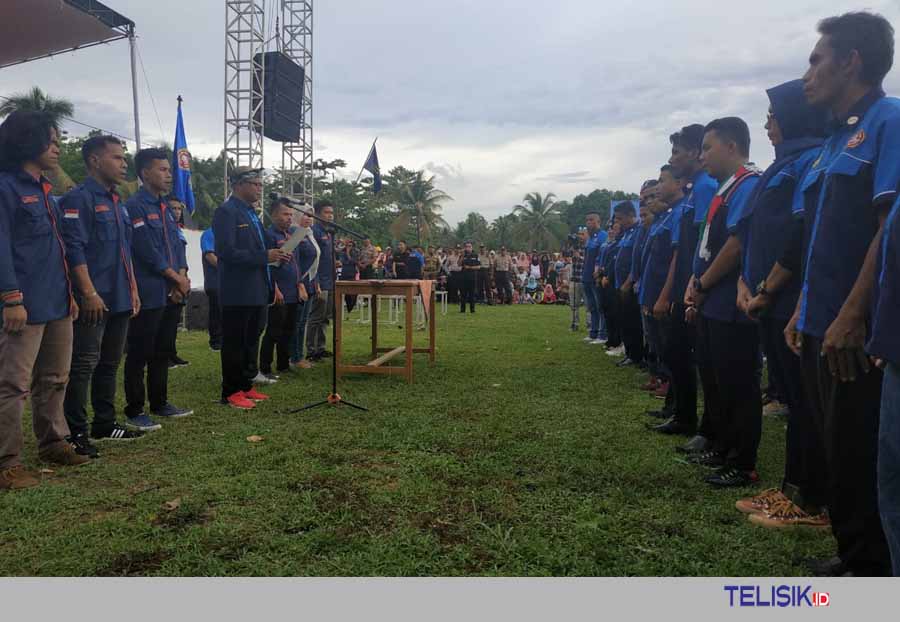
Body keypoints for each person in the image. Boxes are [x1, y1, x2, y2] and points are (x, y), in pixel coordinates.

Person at [785, 11, 898, 577]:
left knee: (862, 450)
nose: (808, 74)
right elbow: (821, 239)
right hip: (818, 321)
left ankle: (872, 569)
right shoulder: (834, 141)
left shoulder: (888, 121)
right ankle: (852, 555)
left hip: (857, 328)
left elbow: (888, 225)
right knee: (838, 446)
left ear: (851, 61)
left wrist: (853, 313)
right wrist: (806, 307)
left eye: (816, 60)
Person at [735, 79, 830, 529]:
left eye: (774, 115)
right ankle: (793, 486)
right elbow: (755, 233)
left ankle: (808, 497)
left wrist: (769, 288)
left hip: (789, 300)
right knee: (794, 398)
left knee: (807, 402)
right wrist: (745, 282)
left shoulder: (809, 160)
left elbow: (798, 235)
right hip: (766, 300)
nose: (768, 124)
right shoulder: (785, 164)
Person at [0, 111, 88, 490]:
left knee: (54, 379)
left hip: (57, 302)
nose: (56, 147)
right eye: (50, 139)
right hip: (22, 305)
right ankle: (7, 463)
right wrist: (11, 297)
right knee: (13, 385)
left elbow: (56, 250)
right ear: (26, 141)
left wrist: (70, 294)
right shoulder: (6, 188)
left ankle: (54, 442)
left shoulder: (47, 191)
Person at [683, 117, 762, 487]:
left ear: (731, 147)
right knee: (715, 380)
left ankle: (742, 460)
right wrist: (694, 281)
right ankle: (721, 444)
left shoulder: (747, 184)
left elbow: (736, 244)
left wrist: (701, 282)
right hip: (711, 300)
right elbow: (707, 245)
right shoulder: (723, 190)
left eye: (707, 147)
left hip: (731, 303)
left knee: (738, 386)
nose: (702, 156)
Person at [59, 135, 144, 458]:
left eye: (124, 158)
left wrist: (133, 288)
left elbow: (125, 252)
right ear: (95, 161)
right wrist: (88, 292)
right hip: (94, 297)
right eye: (117, 158)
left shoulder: (117, 202)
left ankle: (105, 423)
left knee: (110, 363)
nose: (124, 164)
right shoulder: (78, 199)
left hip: (121, 296)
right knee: (84, 364)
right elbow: (73, 249)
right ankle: (75, 431)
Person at [123, 148, 192, 430]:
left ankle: (160, 402)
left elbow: (177, 243)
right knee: (140, 351)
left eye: (168, 169)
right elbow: (145, 250)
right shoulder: (136, 205)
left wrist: (182, 276)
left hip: (172, 289)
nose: (168, 175)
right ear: (145, 173)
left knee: (163, 350)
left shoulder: (165, 207)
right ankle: (135, 408)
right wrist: (175, 277)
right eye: (162, 170)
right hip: (150, 288)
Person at [213, 167, 290, 409]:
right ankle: (230, 391)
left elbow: (260, 245)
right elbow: (227, 252)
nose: (259, 188)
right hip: (238, 289)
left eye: (260, 184)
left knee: (249, 341)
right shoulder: (227, 212)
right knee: (234, 342)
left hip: (257, 287)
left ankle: (245, 385)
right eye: (255, 184)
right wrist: (264, 256)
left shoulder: (252, 213)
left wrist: (277, 249)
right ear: (239, 185)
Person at [664, 124, 720, 455]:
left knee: (703, 362)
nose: (673, 158)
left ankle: (707, 428)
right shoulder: (694, 190)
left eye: (676, 152)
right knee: (676, 350)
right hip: (687, 283)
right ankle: (684, 415)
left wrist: (696, 284)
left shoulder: (705, 188)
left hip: (698, 284)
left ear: (694, 152)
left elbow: (706, 242)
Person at [641, 168, 685, 433]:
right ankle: (671, 407)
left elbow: (674, 261)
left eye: (661, 184)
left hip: (665, 295)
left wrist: (663, 296)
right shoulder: (664, 218)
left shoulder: (678, 214)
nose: (651, 201)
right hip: (653, 291)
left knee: (673, 351)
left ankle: (678, 408)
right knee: (662, 346)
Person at [259, 198, 301, 380]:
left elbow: (296, 263)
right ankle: (265, 368)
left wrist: (300, 285)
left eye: (291, 215)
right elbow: (266, 264)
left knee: (289, 329)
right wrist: (274, 288)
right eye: (285, 214)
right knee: (274, 330)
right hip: (278, 290)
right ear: (274, 214)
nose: (289, 218)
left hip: (293, 290)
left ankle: (283, 364)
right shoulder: (269, 235)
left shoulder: (292, 235)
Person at [612, 201, 643, 367]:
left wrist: (628, 281)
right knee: (624, 320)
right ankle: (629, 352)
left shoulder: (638, 231)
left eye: (620, 218)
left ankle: (636, 355)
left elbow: (635, 260)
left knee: (632, 321)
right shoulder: (626, 233)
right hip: (619, 284)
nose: (618, 222)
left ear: (631, 215)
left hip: (629, 285)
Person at [289, 205, 319, 369]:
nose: (308, 218)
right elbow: (295, 261)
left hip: (310, 282)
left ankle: (299, 355)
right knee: (298, 322)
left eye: (311, 215)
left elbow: (315, 260)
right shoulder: (296, 232)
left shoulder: (309, 234)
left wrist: (316, 282)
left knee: (303, 321)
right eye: (304, 215)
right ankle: (295, 357)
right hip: (299, 283)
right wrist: (299, 283)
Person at [306, 199, 335, 362]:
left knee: (326, 317)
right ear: (317, 214)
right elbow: (312, 258)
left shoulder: (328, 232)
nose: (330, 216)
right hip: (319, 281)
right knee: (316, 316)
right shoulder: (314, 231)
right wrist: (315, 280)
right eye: (326, 213)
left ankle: (321, 347)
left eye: (331, 213)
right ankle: (311, 350)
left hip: (330, 281)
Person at [163, 197, 190, 370]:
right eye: (173, 208)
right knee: (165, 323)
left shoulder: (178, 230)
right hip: (168, 280)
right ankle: (164, 357)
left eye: (179, 209)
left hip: (180, 278)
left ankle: (172, 353)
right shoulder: (165, 230)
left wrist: (183, 277)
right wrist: (176, 280)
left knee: (173, 322)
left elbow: (181, 256)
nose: (177, 212)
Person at [581, 211, 608, 344]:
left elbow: (603, 256)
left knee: (600, 306)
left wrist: (599, 274)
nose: (588, 223)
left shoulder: (603, 236)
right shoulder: (589, 238)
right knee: (591, 306)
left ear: (598, 221)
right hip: (586, 276)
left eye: (591, 220)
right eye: (587, 220)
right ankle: (593, 333)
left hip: (596, 277)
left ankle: (602, 335)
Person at [200, 226, 222, 350]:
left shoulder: (230, 231)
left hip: (228, 282)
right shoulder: (209, 233)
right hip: (214, 281)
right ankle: (215, 341)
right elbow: (210, 256)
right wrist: (228, 269)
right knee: (216, 311)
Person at [459, 241, 479, 313]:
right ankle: (462, 310)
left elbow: (478, 266)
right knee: (463, 294)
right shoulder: (463, 255)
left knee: (472, 294)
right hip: (463, 278)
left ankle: (472, 310)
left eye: (469, 246)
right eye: (466, 246)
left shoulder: (475, 255)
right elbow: (459, 264)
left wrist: (470, 267)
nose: (468, 248)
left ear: (472, 247)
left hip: (472, 277)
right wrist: (461, 256)